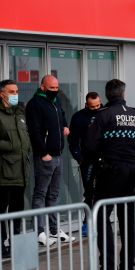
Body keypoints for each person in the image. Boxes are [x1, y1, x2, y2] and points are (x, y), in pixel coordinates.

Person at [87, 79, 135, 270]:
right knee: (127, 219)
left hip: (109, 171)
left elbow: (90, 145)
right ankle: (128, 265)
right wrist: (129, 154)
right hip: (131, 171)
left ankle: (107, 263)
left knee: (101, 214)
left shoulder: (103, 116)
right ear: (123, 94)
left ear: (107, 95)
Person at [25, 75, 75, 246]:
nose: (55, 90)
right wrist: (42, 152)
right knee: (40, 194)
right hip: (45, 156)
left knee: (53, 195)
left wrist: (66, 125)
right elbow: (34, 131)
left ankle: (54, 231)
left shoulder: (56, 100)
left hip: (58, 154)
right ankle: (39, 232)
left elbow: (61, 115)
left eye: (56, 87)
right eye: (52, 87)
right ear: (42, 86)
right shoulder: (35, 104)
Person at [0, 80, 31, 258]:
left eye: (17, 91)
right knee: (2, 211)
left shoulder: (19, 113)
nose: (15, 94)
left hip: (20, 172)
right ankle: (2, 245)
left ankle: (15, 245)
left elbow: (24, 137)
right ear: (1, 94)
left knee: (17, 212)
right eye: (11, 91)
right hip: (4, 173)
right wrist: (12, 145)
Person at [68, 92, 102, 237]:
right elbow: (73, 141)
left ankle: (101, 222)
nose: (95, 109)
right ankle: (87, 223)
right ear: (86, 105)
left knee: (105, 191)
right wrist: (79, 158)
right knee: (89, 192)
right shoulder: (79, 117)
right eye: (92, 106)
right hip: (87, 161)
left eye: (98, 106)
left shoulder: (106, 113)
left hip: (106, 159)